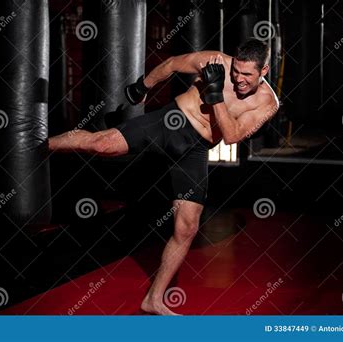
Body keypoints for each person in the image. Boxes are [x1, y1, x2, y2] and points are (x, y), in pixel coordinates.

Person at [48, 39, 279, 315]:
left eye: (247, 75)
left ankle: (154, 299)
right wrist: (142, 87)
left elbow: (231, 136)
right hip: (172, 121)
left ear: (264, 70)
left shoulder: (267, 103)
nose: (239, 79)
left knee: (187, 228)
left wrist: (215, 94)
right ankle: (38, 146)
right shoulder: (216, 61)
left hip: (195, 149)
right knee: (102, 144)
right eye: (236, 72)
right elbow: (171, 64)